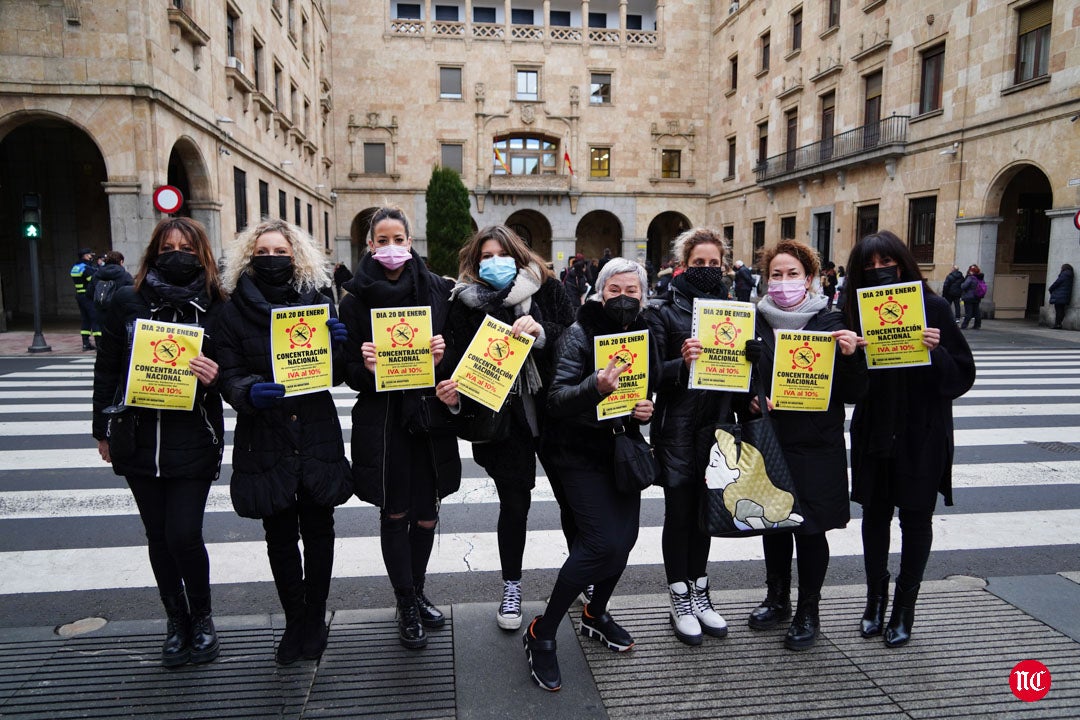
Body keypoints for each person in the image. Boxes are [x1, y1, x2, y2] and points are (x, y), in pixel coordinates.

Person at [216, 219, 353, 666]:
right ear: (248, 257)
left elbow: (335, 377)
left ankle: (315, 619)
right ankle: (295, 620)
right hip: (266, 437)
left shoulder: (317, 302)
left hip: (314, 433)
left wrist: (338, 349)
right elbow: (229, 375)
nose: (272, 258)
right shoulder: (232, 311)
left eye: (281, 251)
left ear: (296, 257)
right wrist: (246, 392)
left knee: (319, 533)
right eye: (263, 251)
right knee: (278, 537)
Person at [91, 217, 226, 667]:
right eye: (168, 246)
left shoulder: (214, 304)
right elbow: (107, 367)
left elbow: (232, 365)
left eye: (186, 247)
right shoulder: (127, 301)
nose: (176, 253)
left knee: (184, 534)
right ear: (154, 251)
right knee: (158, 537)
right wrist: (101, 429)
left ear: (200, 252)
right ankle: (177, 620)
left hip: (193, 436)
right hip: (137, 437)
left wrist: (214, 377)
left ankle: (203, 618)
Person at [523, 258, 659, 692]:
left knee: (625, 542)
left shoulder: (643, 332)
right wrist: (595, 388)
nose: (623, 298)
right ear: (599, 291)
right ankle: (542, 633)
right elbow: (557, 400)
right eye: (614, 290)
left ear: (643, 294)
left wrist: (644, 408)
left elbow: (647, 386)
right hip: (576, 453)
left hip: (621, 449)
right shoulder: (579, 334)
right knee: (599, 544)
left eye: (632, 291)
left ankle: (595, 613)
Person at [843, 230, 975, 648]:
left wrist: (936, 352)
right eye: (870, 268)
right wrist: (852, 355)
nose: (880, 272)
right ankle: (875, 601)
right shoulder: (854, 315)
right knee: (875, 517)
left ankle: (905, 607)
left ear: (903, 263)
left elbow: (962, 377)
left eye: (888, 264)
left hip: (922, 432)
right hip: (875, 430)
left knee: (916, 520)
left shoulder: (934, 308)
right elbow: (846, 388)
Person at [441, 225, 577, 631]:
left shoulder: (548, 289)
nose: (494, 262)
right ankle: (512, 587)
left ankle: (581, 576)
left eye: (502, 254)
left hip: (555, 416)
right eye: (486, 255)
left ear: (519, 257)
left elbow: (572, 338)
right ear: (475, 261)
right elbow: (457, 360)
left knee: (573, 503)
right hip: (503, 423)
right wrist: (454, 394)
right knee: (514, 508)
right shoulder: (466, 302)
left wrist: (539, 332)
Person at [339, 206, 462, 650]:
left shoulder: (437, 291)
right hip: (384, 420)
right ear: (370, 245)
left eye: (399, 240)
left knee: (427, 512)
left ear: (411, 243)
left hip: (428, 417)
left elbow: (457, 360)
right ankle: (405, 601)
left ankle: (420, 588)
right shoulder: (352, 300)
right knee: (395, 512)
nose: (391, 248)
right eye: (382, 240)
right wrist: (367, 366)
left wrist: (440, 358)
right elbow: (347, 371)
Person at [744, 239, 866, 651]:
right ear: (766, 279)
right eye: (775, 275)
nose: (783, 282)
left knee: (810, 531)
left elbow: (854, 392)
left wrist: (850, 356)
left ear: (810, 278)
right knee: (775, 525)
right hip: (770, 440)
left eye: (792, 274)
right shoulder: (752, 322)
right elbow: (736, 382)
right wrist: (751, 396)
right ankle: (776, 598)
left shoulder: (831, 322)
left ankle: (808, 609)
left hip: (816, 443)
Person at [645, 228, 739, 646]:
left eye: (713, 264)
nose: (706, 270)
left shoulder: (735, 310)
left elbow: (743, 380)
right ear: (683, 264)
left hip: (717, 426)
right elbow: (650, 374)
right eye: (698, 263)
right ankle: (678, 596)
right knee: (679, 514)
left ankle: (700, 592)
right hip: (678, 429)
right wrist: (679, 363)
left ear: (724, 266)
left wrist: (751, 360)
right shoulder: (662, 310)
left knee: (706, 514)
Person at [93, 251, 134, 326]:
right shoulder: (125, 275)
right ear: (121, 261)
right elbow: (132, 292)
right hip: (120, 311)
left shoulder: (97, 274)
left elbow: (89, 292)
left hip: (102, 311)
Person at [71, 247, 100, 350]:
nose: (91, 257)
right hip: (88, 296)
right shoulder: (86, 268)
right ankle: (98, 343)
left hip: (80, 296)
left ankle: (85, 343)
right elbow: (93, 281)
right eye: (89, 255)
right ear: (85, 255)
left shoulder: (75, 267)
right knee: (95, 318)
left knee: (85, 319)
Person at [1048, 263, 1074, 329]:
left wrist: (1050, 288)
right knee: (1061, 310)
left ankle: (1057, 324)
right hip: (1064, 296)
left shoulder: (1064, 274)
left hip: (1059, 296)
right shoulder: (1070, 275)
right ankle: (1059, 324)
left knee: (1058, 310)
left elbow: (1057, 282)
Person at [959, 264, 984, 330]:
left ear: (971, 271)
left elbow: (964, 286)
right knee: (976, 311)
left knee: (968, 312)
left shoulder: (970, 278)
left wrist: (961, 284)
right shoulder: (980, 278)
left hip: (969, 297)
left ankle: (964, 325)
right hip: (977, 297)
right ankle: (977, 325)